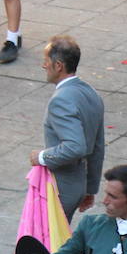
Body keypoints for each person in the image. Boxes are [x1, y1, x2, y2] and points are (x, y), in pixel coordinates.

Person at [30, 36, 105, 220]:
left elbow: (74, 147)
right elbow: (97, 147)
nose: (43, 66)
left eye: (46, 61)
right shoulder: (91, 93)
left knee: (45, 243)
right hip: (77, 186)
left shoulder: (60, 100)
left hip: (61, 188)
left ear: (58, 66)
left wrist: (40, 157)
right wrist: (89, 188)